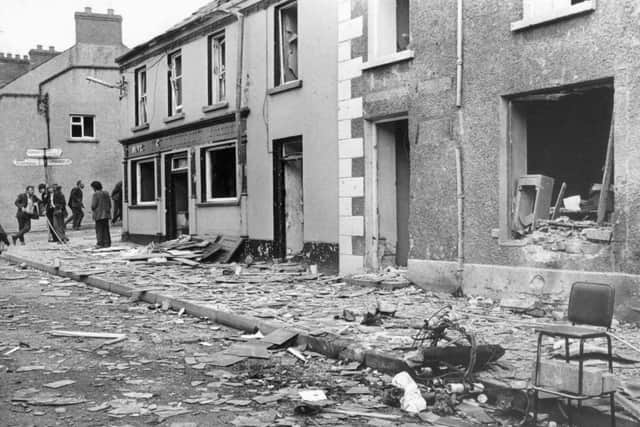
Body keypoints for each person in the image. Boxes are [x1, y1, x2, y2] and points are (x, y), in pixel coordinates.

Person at [91, 181, 112, 248]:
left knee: (99, 229)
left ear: (94, 187)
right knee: (106, 229)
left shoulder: (95, 194)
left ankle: (100, 243)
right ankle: (107, 243)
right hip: (106, 214)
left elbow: (93, 205)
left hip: (99, 214)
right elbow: (110, 204)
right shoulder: (106, 193)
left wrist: (93, 209)